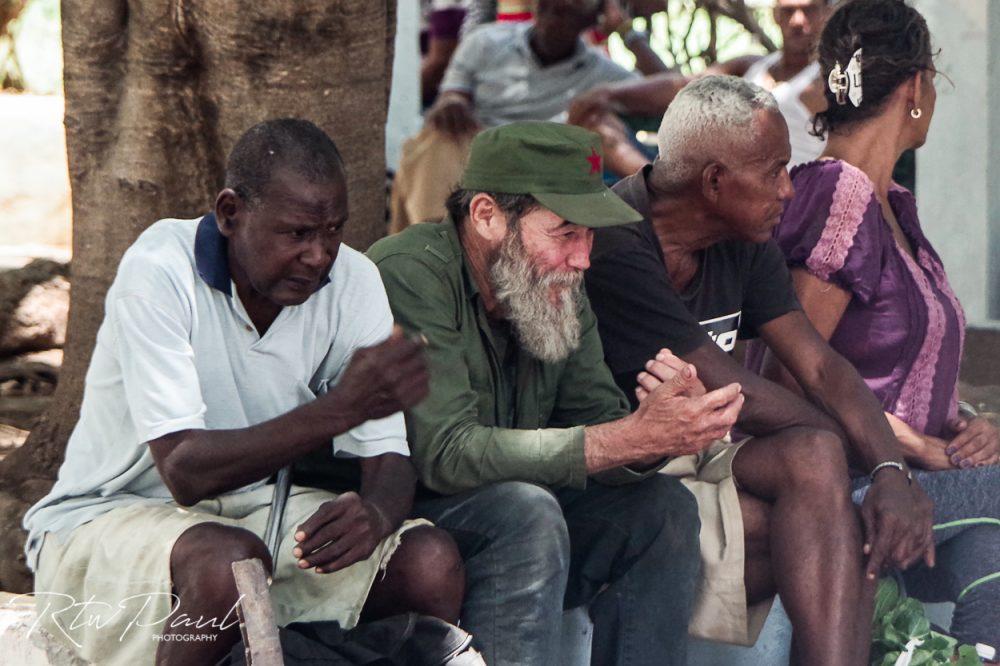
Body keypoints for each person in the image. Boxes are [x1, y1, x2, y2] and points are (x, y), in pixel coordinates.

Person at [22, 119, 464, 666]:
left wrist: (375, 513)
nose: (319, 255)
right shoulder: (161, 268)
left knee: (428, 562)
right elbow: (185, 471)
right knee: (230, 565)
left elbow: (387, 456)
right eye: (298, 233)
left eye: (333, 231)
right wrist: (341, 408)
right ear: (230, 213)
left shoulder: (354, 281)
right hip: (110, 513)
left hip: (259, 511)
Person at [582, 76, 935, 665]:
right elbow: (723, 381)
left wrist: (891, 469)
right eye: (773, 171)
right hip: (621, 467)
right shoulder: (618, 241)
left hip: (701, 450)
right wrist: (860, 450)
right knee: (828, 515)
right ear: (714, 181)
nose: (789, 190)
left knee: (815, 458)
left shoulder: (741, 238)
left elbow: (820, 366)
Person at [368, 121, 745, 665]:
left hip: (521, 504)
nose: (583, 257)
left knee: (663, 509)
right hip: (403, 518)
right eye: (566, 233)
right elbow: (444, 453)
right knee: (528, 511)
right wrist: (625, 438)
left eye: (590, 235)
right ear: (486, 216)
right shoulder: (412, 272)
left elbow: (600, 419)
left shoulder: (556, 283)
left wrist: (662, 429)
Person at [745, 0, 1000, 657]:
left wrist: (967, 426)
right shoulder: (840, 196)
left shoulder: (895, 207)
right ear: (916, 86)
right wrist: (916, 449)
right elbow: (791, 383)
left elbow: (903, 370)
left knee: (989, 555)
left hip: (921, 483)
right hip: (851, 488)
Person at [391, 0, 659, 234]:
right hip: (475, 149)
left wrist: (627, 33)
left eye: (573, 5)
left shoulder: (604, 74)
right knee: (434, 141)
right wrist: (451, 103)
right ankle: (435, 240)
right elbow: (452, 95)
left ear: (593, 16)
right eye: (549, 2)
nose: (557, 8)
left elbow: (674, 93)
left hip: (540, 167)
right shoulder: (485, 41)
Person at [569, 0, 832, 175]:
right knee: (597, 123)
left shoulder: (826, 81)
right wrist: (608, 95)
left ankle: (655, 193)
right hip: (714, 179)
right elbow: (682, 88)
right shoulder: (749, 65)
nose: (798, 20)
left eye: (809, 10)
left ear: (826, 14)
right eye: (788, 10)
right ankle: (653, 189)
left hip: (772, 192)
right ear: (775, 14)